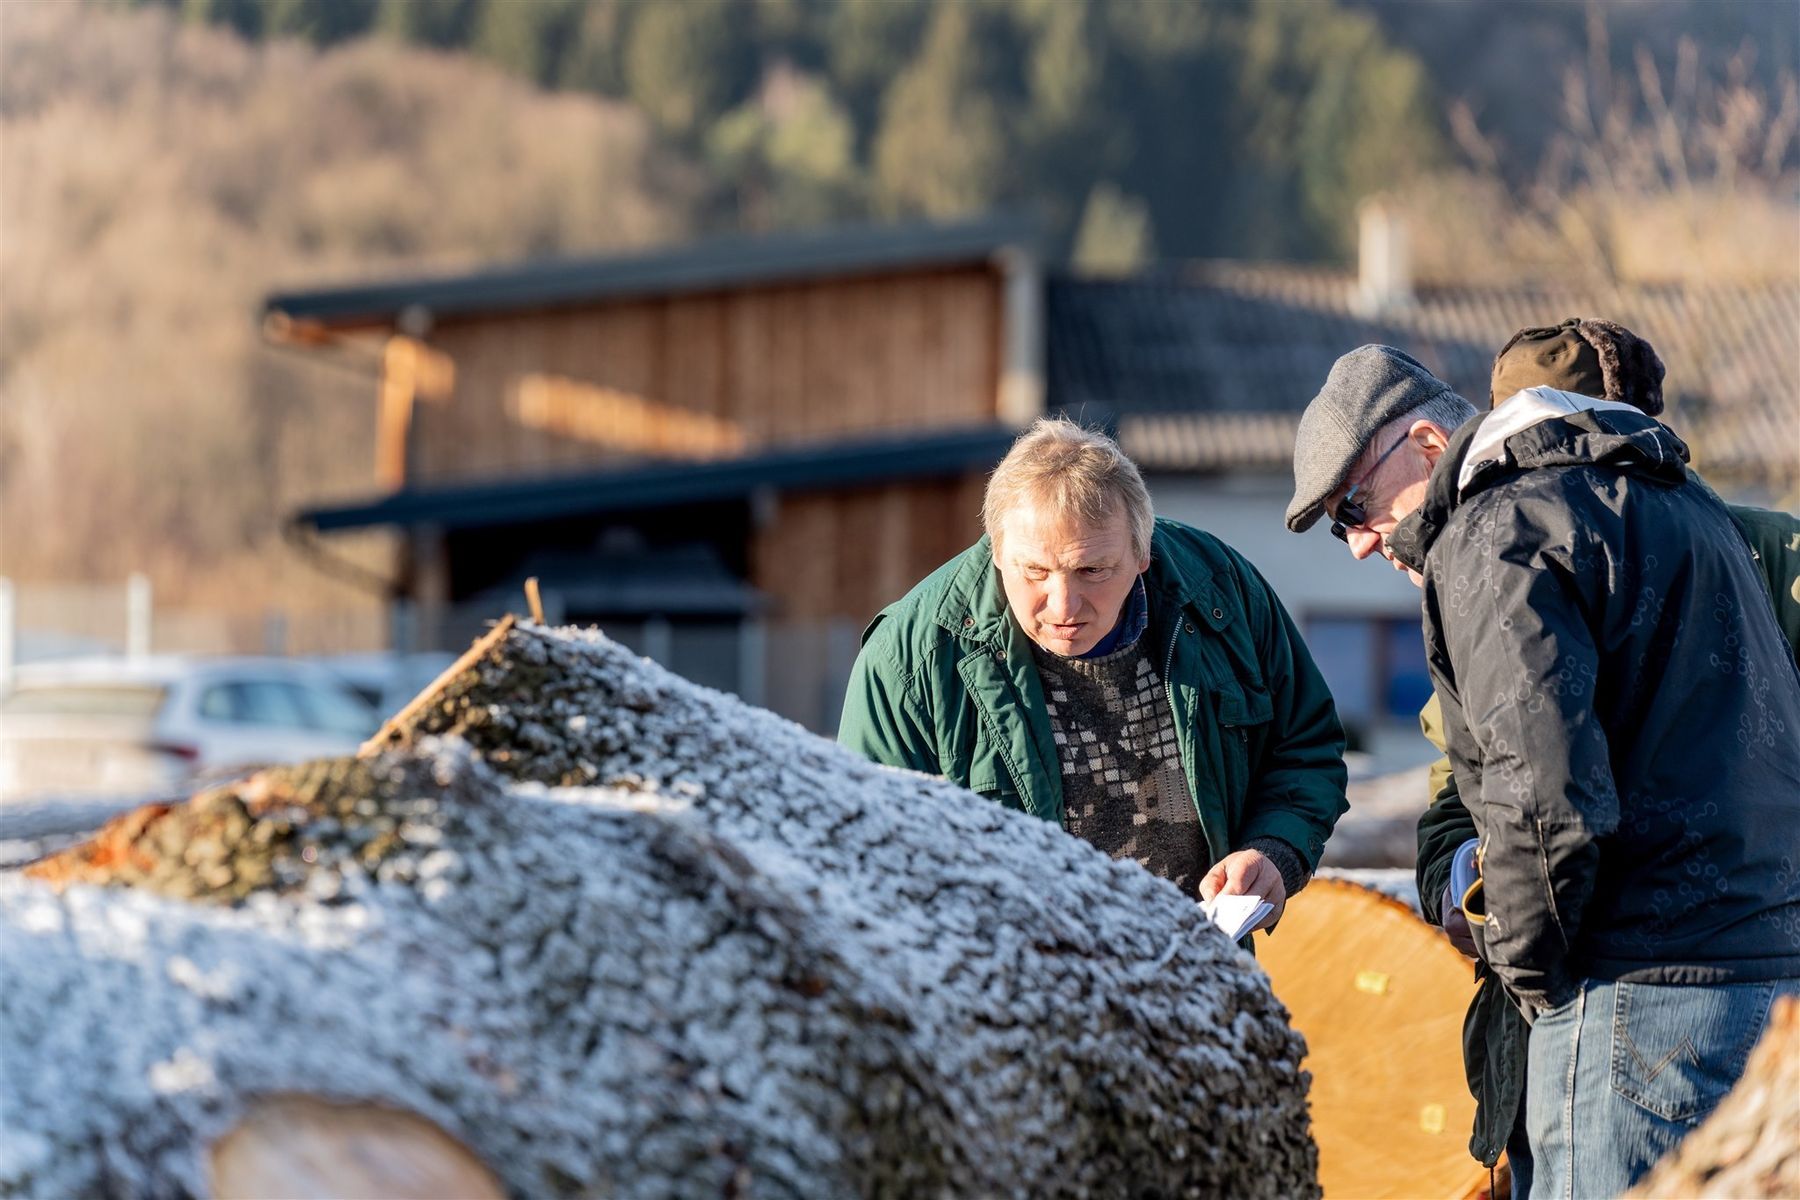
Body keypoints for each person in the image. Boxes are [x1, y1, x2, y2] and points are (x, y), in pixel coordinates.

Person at [1286, 343, 1800, 1199]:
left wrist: (1526, 966)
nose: (1360, 546)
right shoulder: (1675, 500)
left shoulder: (1498, 529)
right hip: (1760, 975)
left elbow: (1545, 801)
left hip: (1633, 997)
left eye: (1356, 508)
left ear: (1426, 445)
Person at [840, 417, 1348, 931]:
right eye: (1034, 571)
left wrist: (1274, 849)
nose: (1063, 605)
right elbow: (873, 850)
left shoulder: (1218, 590)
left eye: (1092, 571)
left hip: (1196, 961)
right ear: (996, 549)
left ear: (1142, 552)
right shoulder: (912, 657)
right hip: (1003, 971)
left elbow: (1304, 745)